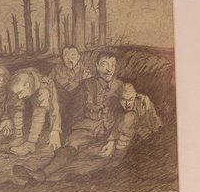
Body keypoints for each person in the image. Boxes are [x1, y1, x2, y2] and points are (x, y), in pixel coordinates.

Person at [13, 49, 125, 182]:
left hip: (110, 129)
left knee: (102, 154)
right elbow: (75, 110)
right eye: (104, 64)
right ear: (96, 65)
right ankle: (41, 174)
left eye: (112, 65)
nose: (109, 69)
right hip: (86, 127)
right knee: (70, 147)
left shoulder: (121, 86)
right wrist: (70, 131)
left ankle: (80, 176)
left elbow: (123, 114)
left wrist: (113, 138)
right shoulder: (87, 84)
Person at [8, 68, 62, 156]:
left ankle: (30, 144)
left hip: (48, 113)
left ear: (27, 85)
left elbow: (54, 108)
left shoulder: (45, 85)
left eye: (20, 92)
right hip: (28, 110)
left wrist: (55, 130)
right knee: (16, 103)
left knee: (39, 109)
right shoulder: (20, 79)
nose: (20, 96)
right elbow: (14, 104)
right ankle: (18, 137)